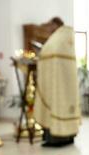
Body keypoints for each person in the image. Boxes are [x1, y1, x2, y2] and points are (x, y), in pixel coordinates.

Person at [34, 17, 81, 147]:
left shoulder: (59, 37)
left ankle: (56, 139)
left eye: (49, 26)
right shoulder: (65, 37)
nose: (48, 29)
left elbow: (48, 53)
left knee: (57, 105)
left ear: (55, 25)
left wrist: (40, 54)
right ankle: (68, 137)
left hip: (58, 83)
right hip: (66, 83)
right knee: (63, 106)